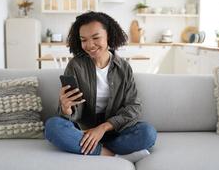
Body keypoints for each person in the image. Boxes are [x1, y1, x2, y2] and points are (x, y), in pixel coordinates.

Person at [45, 11, 157, 163]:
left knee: (148, 133)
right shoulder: (75, 66)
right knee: (52, 127)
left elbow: (133, 107)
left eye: (96, 38)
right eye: (83, 40)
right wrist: (66, 109)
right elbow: (72, 114)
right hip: (82, 131)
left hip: (114, 131)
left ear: (108, 36)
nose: (89, 45)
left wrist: (103, 128)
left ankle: (91, 147)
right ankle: (110, 154)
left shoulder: (123, 68)